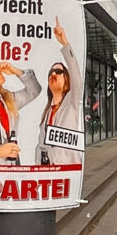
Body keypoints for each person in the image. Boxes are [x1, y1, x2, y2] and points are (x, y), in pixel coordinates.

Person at [35, 18, 83, 166]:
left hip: (68, 170)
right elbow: (41, 146)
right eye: (51, 72)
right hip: (47, 174)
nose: (53, 74)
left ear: (67, 79)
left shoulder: (72, 103)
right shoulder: (47, 112)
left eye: (58, 71)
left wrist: (65, 43)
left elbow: (77, 78)